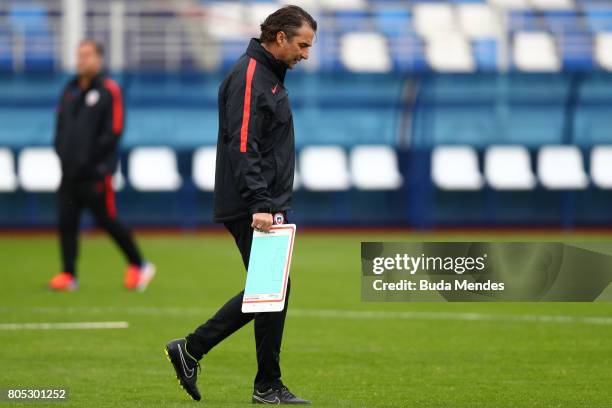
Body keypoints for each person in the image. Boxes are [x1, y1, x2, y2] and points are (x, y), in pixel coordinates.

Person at [164, 6, 316, 404]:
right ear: (280, 38)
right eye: (303, 45)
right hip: (256, 204)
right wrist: (261, 203)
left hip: (263, 200)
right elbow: (243, 144)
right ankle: (202, 353)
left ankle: (261, 380)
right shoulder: (251, 75)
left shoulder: (267, 76)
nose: (306, 54)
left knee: (272, 290)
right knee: (273, 288)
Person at [48, 40, 155, 292]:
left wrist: (93, 162)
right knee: (67, 222)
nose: (81, 60)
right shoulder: (70, 89)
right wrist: (63, 153)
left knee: (107, 220)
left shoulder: (109, 89)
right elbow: (61, 127)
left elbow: (114, 129)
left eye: (87, 55)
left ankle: (139, 264)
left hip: (96, 174)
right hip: (69, 173)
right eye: (79, 55)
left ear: (99, 59)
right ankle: (68, 274)